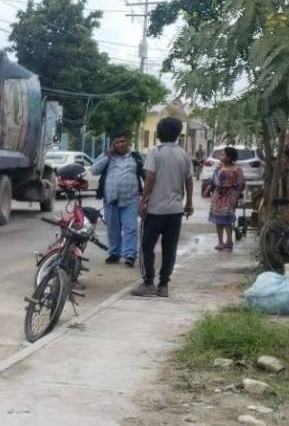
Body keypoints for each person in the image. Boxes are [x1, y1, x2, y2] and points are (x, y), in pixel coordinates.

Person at [132, 117, 194, 298]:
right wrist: (189, 202)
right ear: (177, 134)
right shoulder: (183, 154)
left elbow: (150, 177)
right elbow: (189, 180)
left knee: (146, 245)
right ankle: (164, 284)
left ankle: (148, 282)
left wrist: (142, 201)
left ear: (159, 134)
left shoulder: (155, 152)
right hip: (175, 210)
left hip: (155, 209)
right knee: (169, 247)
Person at [91, 133, 145, 267]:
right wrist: (107, 156)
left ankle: (130, 255)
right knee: (113, 228)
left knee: (130, 228)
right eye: (117, 142)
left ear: (128, 142)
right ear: (113, 144)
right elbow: (94, 170)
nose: (120, 144)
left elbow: (144, 174)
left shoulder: (135, 156)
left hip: (131, 199)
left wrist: (146, 196)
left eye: (122, 141)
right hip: (110, 199)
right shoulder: (107, 156)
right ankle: (114, 253)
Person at [208, 146, 244, 252]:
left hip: (229, 197)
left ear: (229, 157)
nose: (220, 156)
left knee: (227, 220)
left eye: (223, 154)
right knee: (218, 220)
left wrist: (236, 196)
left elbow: (241, 184)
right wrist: (208, 189)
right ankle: (220, 241)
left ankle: (229, 241)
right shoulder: (218, 168)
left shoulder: (237, 169)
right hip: (218, 197)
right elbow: (213, 181)